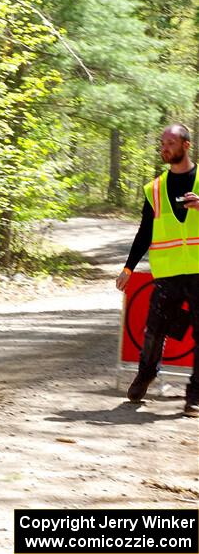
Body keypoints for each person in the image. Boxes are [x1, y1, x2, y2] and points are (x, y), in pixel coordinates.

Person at [115, 124, 198, 418]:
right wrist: (128, 266)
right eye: (162, 142)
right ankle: (145, 375)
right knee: (154, 329)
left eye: (171, 142)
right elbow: (144, 232)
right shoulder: (155, 188)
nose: (164, 147)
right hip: (168, 271)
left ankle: (194, 396)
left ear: (186, 146)